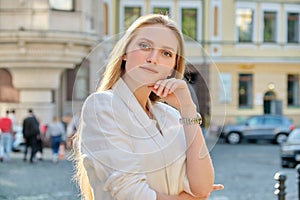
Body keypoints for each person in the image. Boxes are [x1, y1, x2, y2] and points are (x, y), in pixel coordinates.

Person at [73, 14, 223, 200]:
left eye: (166, 53)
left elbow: (202, 187)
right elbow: (130, 194)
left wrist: (188, 108)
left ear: (172, 67)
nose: (153, 58)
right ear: (125, 53)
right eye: (144, 46)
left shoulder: (170, 115)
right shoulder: (102, 106)